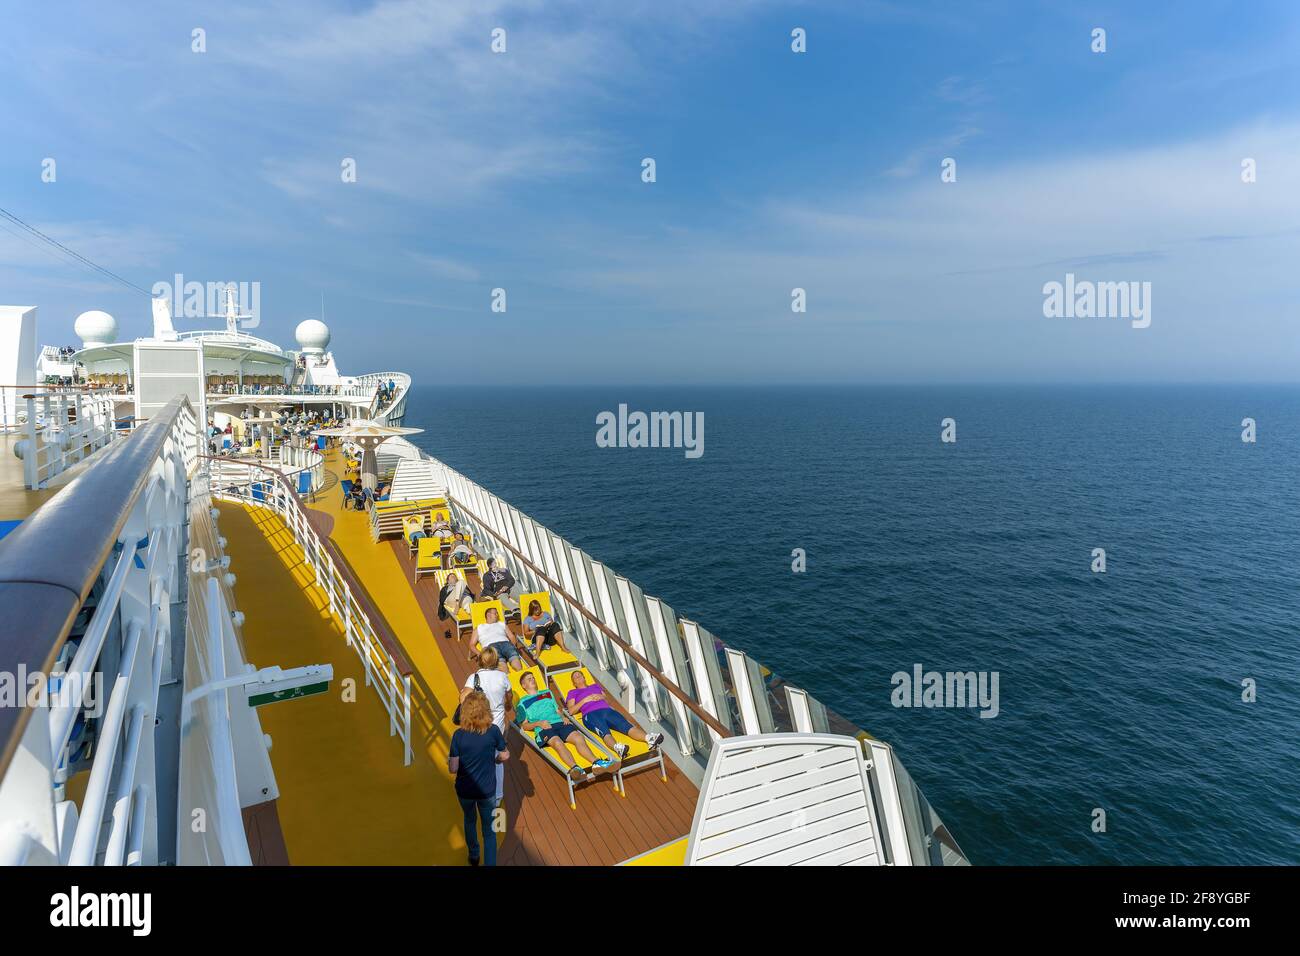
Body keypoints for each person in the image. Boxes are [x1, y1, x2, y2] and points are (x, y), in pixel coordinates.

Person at [515, 672, 616, 782]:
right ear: (523, 685)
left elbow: (558, 710)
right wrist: (538, 723)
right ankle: (575, 768)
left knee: (579, 738)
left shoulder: (547, 692)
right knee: (558, 743)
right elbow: (524, 725)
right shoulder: (522, 703)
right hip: (544, 727)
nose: (533, 680)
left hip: (560, 722)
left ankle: (596, 763)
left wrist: (563, 717)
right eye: (529, 679)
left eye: (533, 678)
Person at [448, 691, 507, 866]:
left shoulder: (458, 736)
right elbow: (504, 755)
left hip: (465, 791)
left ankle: (474, 855)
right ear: (486, 710)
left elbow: (453, 769)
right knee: (490, 831)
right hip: (487, 791)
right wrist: (496, 759)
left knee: (469, 819)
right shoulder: (494, 731)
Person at [563, 671, 664, 759]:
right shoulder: (573, 692)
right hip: (590, 715)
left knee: (626, 726)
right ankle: (617, 748)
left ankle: (649, 738)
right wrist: (584, 700)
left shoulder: (595, 686)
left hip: (607, 710)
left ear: (584, 677)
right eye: (575, 677)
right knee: (605, 732)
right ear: (574, 683)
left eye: (580, 675)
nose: (578, 677)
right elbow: (571, 711)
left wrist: (601, 696)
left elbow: (607, 700)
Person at [460, 646, 513, 806]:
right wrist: (507, 705)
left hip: (479, 722)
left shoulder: (474, 677)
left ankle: (478, 788)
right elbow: (508, 699)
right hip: (497, 724)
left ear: (480, 660)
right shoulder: (502, 677)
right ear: (496, 660)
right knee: (497, 759)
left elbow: (463, 700)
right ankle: (497, 796)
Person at [469, 606, 522, 671]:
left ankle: (521, 673)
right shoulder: (479, 628)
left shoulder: (502, 624)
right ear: (488, 615)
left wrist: (513, 646)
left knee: (516, 661)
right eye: (495, 613)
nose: (497, 615)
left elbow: (511, 636)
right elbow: (472, 645)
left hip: (506, 644)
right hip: (491, 648)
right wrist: (480, 654)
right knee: (503, 666)